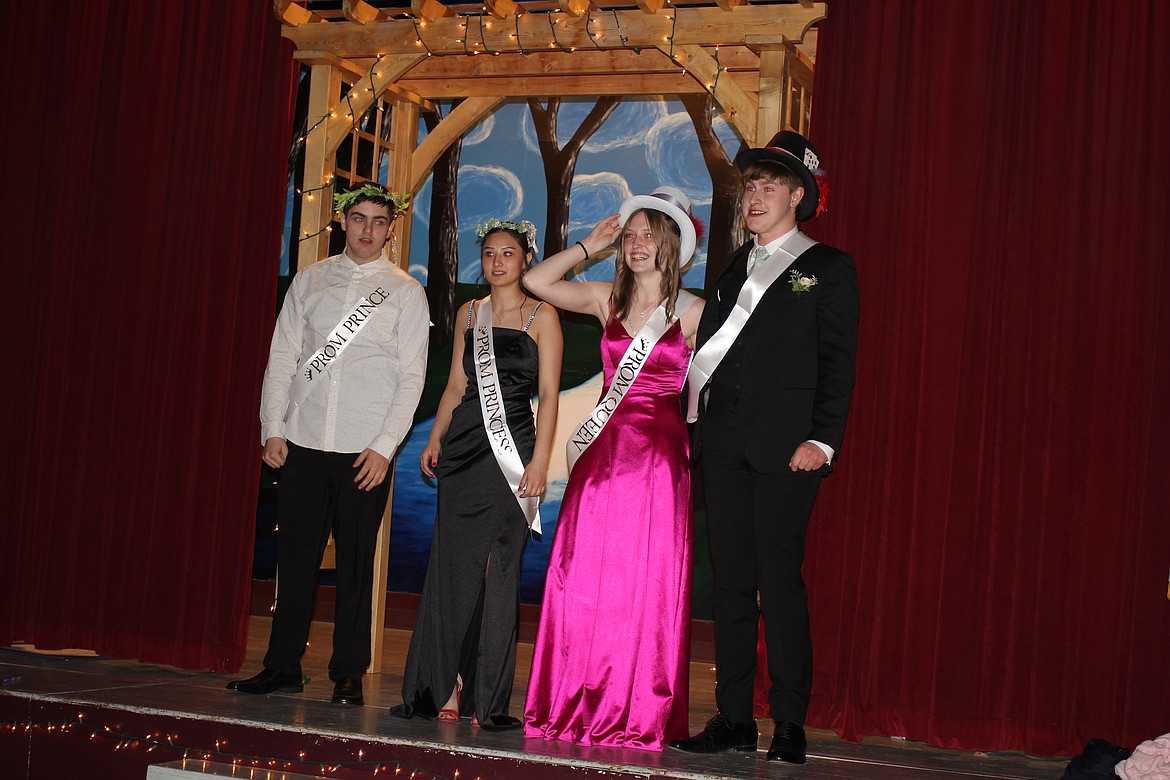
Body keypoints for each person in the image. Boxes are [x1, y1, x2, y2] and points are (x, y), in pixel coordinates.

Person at [670, 131, 860, 764]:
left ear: (798, 196)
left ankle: (788, 722)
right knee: (728, 587)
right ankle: (732, 718)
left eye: (769, 185)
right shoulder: (729, 270)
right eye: (750, 185)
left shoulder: (827, 268)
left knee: (779, 585)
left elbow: (838, 364)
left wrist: (823, 439)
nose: (754, 195)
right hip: (722, 447)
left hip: (788, 451)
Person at [228, 182, 430, 707]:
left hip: (365, 451)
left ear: (391, 228)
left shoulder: (405, 291)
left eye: (378, 221)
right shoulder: (310, 282)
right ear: (343, 221)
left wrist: (385, 447)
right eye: (358, 218)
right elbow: (281, 359)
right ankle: (281, 667)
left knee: (356, 567)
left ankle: (348, 674)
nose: (367, 229)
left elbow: (413, 377)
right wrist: (273, 427)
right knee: (294, 561)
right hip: (303, 441)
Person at [522, 186, 705, 751]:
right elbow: (536, 283)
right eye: (631, 235)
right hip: (603, 450)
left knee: (647, 580)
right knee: (586, 576)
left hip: (660, 455)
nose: (638, 244)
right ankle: (573, 700)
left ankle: (642, 708)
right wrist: (588, 246)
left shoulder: (696, 310)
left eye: (650, 234)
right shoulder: (608, 300)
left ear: (673, 243)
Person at [392, 218, 562, 729]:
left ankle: (487, 698)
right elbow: (454, 386)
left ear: (525, 260)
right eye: (489, 253)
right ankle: (441, 683)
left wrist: (539, 463)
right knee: (452, 567)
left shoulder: (543, 316)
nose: (497, 262)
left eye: (508, 253)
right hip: (464, 450)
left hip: (513, 452)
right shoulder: (470, 312)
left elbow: (550, 396)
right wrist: (434, 436)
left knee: (499, 569)